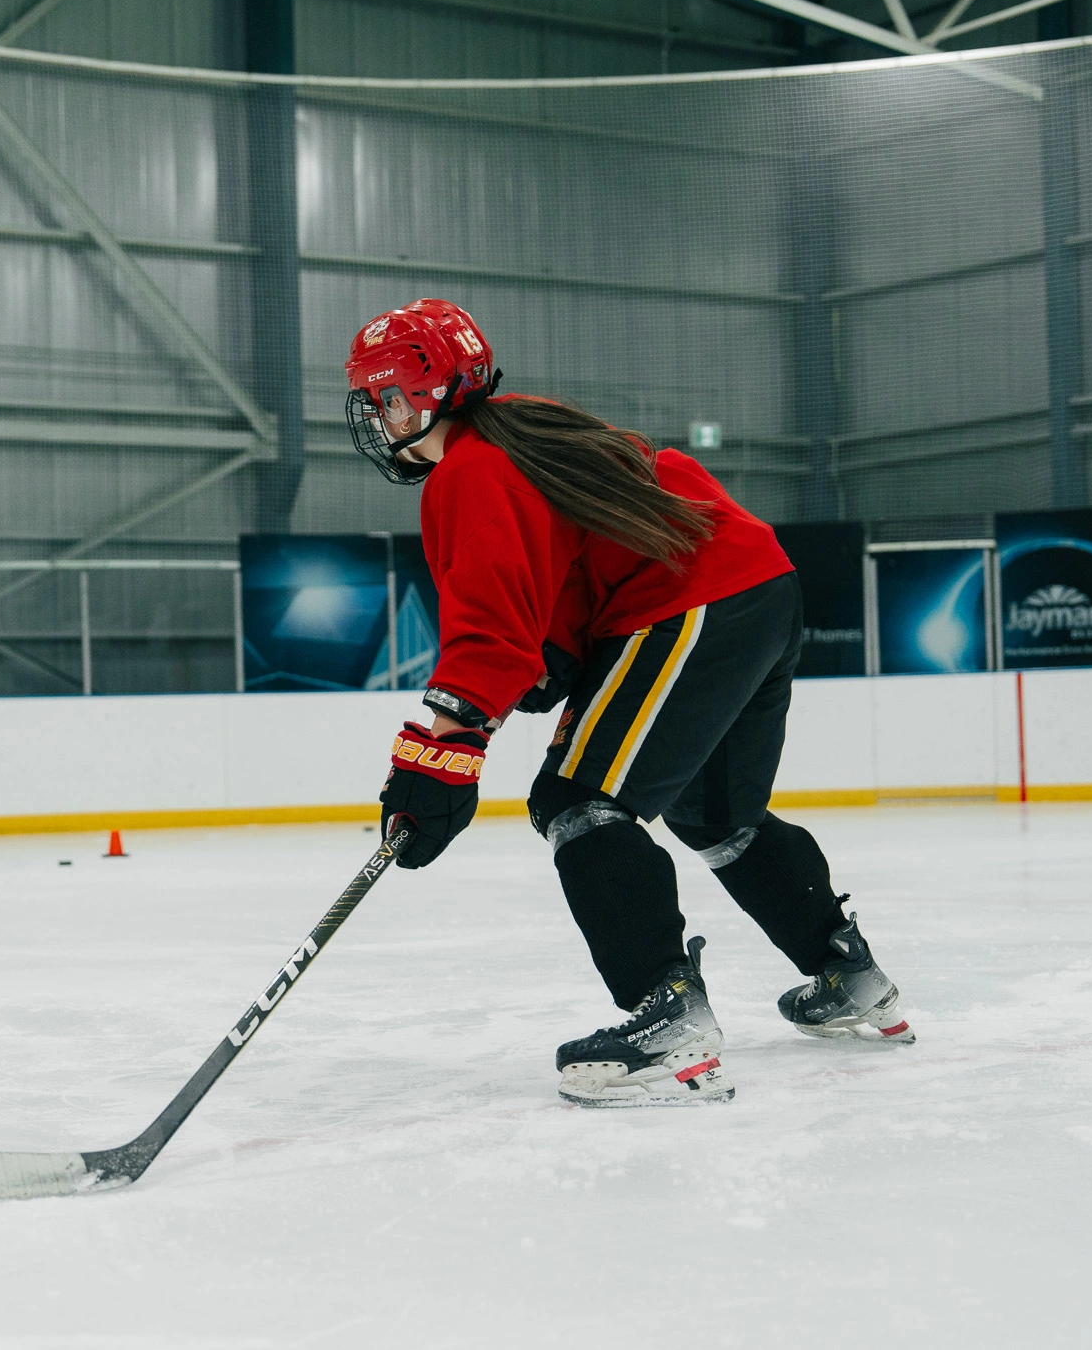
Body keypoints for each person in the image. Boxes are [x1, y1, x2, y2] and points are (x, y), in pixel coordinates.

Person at [346, 298, 913, 1107]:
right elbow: (571, 580)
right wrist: (550, 667)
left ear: (430, 393)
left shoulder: (469, 471)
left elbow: (490, 632)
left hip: (691, 599)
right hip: (757, 586)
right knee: (715, 814)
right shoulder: (526, 428)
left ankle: (667, 1011)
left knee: (575, 799)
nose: (380, 417)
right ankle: (847, 971)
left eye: (388, 397)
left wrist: (439, 757)